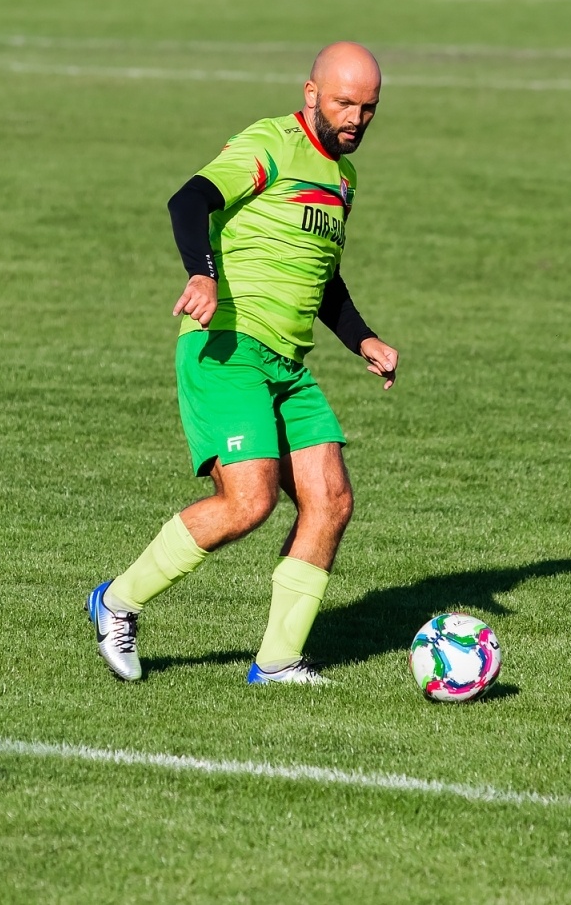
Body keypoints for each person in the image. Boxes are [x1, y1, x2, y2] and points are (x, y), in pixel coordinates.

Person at [87, 42, 399, 686]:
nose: (356, 119)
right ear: (311, 93)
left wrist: (362, 338)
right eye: (344, 103)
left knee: (331, 501)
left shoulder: (343, 179)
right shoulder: (270, 144)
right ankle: (117, 600)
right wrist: (201, 274)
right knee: (248, 500)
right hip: (227, 347)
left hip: (287, 364)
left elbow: (321, 275)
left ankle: (277, 662)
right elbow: (188, 201)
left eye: (368, 107)